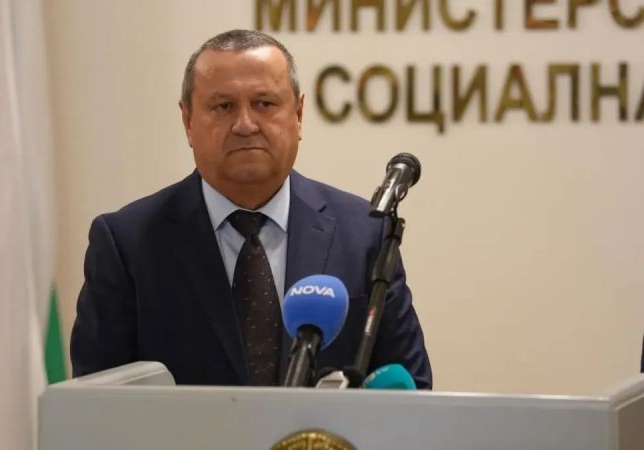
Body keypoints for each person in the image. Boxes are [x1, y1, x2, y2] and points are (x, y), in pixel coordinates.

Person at [70, 29, 432, 388]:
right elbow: (93, 406)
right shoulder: (128, 244)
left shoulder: (365, 235)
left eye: (264, 104)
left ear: (298, 114)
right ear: (188, 121)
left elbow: (410, 392)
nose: (245, 125)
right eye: (223, 106)